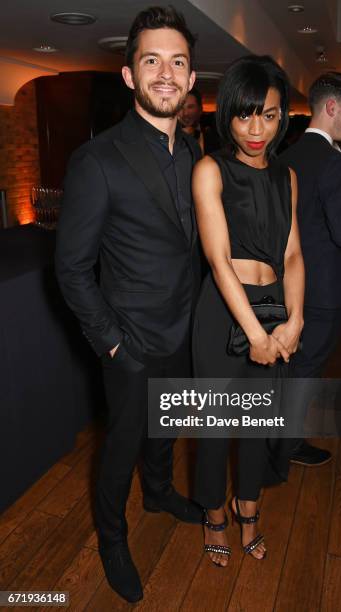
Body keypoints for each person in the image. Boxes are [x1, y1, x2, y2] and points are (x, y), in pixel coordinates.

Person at [55, 6, 203, 603]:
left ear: (193, 79)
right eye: (151, 61)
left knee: (168, 430)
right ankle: (113, 539)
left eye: (177, 62)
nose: (165, 73)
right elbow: (70, 269)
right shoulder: (99, 159)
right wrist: (112, 342)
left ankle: (161, 492)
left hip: (187, 332)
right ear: (128, 75)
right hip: (132, 344)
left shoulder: (195, 153)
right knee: (121, 447)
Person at [192, 55, 304, 566]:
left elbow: (293, 254)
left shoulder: (288, 177)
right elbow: (218, 261)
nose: (257, 129)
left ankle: (249, 510)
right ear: (228, 116)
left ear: (283, 117)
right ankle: (215, 517)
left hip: (274, 308)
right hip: (224, 313)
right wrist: (256, 334)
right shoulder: (210, 168)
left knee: (258, 425)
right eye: (245, 115)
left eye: (270, 115)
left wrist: (294, 317)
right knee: (216, 428)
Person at [280, 72, 341, 461]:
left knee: (290, 366)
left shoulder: (286, 155)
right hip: (324, 289)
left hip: (289, 282)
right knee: (306, 369)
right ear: (331, 107)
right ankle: (284, 447)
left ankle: (274, 442)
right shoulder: (335, 161)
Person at [179, 86, 220, 154]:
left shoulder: (214, 137)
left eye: (190, 107)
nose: (185, 113)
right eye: (180, 107)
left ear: (200, 110)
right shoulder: (167, 138)